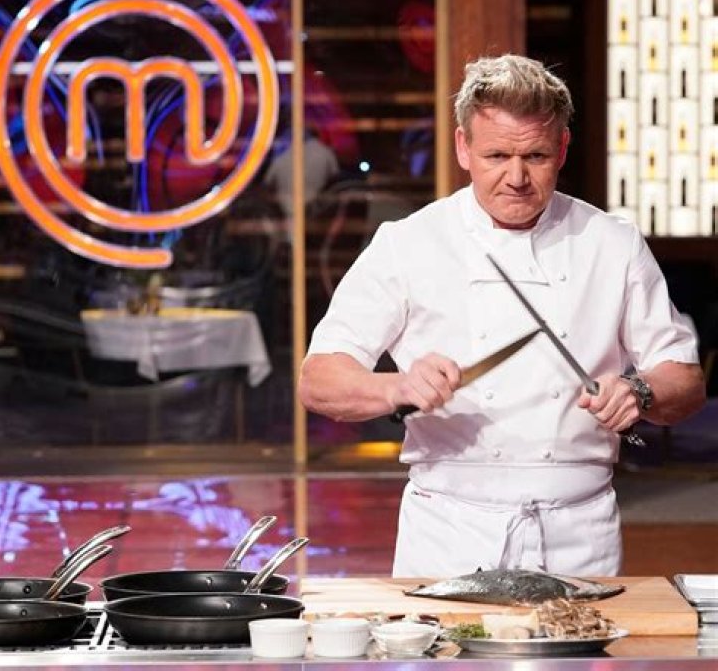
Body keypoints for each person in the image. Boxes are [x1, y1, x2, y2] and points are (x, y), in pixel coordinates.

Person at [298, 54, 706, 578]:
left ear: (562, 148)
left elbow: (685, 381)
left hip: (578, 534)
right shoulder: (408, 243)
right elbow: (319, 381)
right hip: (448, 533)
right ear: (463, 147)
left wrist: (639, 391)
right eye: (496, 156)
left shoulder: (612, 243)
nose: (516, 178)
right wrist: (397, 387)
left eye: (535, 155)